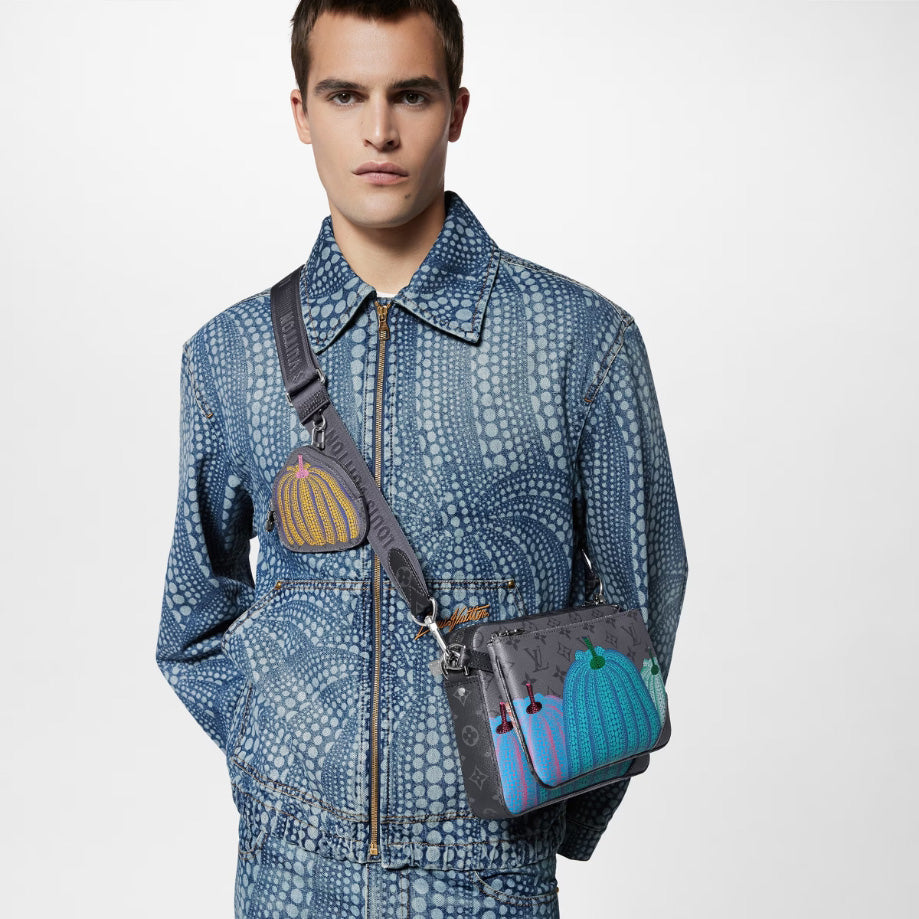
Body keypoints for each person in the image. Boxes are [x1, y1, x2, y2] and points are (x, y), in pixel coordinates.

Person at [155, 1, 688, 916]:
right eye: (343, 95)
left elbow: (641, 607)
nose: (378, 130)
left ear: (456, 109)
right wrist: (274, 750)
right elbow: (192, 617)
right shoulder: (227, 355)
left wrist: (543, 812)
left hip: (487, 884)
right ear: (300, 113)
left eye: (410, 94)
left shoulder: (579, 344)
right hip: (287, 877)